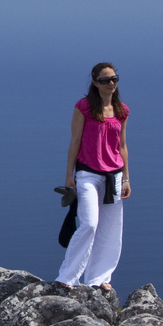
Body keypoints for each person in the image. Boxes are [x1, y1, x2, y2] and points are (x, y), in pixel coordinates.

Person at [55, 62, 131, 290]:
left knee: (110, 231)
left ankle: (99, 280)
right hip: (88, 174)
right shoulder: (84, 107)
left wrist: (126, 178)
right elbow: (75, 141)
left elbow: (123, 146)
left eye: (114, 79)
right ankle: (67, 278)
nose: (111, 83)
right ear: (95, 83)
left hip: (114, 177)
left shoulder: (121, 110)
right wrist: (69, 176)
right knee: (89, 224)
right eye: (105, 80)